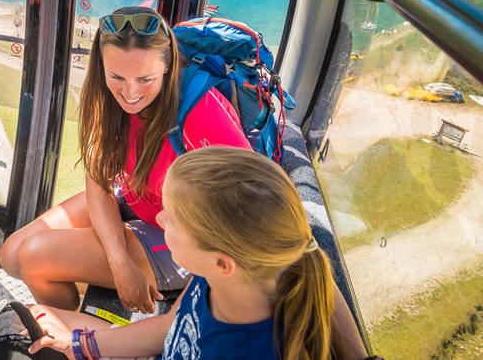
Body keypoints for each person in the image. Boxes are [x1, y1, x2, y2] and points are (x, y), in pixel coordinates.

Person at [0, 6, 254, 313]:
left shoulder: (201, 110)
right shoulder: (106, 99)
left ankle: (70, 335)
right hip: (133, 199)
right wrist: (118, 261)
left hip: (176, 236)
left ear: (167, 65)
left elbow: (251, 207)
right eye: (116, 76)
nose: (130, 93)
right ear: (101, 67)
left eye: (144, 78)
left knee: (35, 257)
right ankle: (76, 316)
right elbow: (98, 181)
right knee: (11, 254)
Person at [27, 146, 365, 360]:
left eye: (170, 219)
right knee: (33, 319)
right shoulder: (214, 279)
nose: (158, 220)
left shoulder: (246, 350)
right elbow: (169, 328)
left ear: (222, 262)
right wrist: (79, 344)